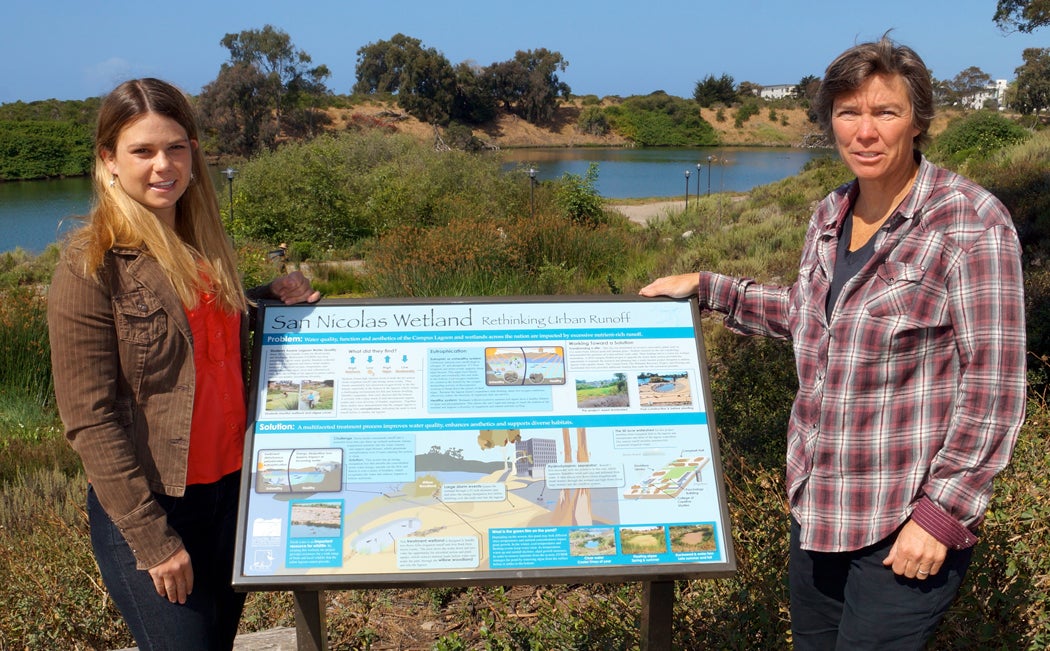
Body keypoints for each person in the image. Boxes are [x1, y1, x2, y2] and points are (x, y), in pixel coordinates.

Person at [640, 36, 1025, 650]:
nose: (864, 131)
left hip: (902, 525)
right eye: (849, 113)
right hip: (819, 511)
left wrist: (942, 514)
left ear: (919, 120)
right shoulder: (830, 213)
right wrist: (711, 289)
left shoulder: (970, 223)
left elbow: (995, 386)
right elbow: (808, 316)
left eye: (885, 112)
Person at [47, 78, 320, 650]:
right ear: (109, 160)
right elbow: (89, 421)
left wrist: (266, 297)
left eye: (175, 147)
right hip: (153, 506)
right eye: (142, 151)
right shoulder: (90, 264)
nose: (162, 165)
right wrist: (154, 540)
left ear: (193, 151)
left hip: (229, 496)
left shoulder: (200, 247)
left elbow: (200, 329)